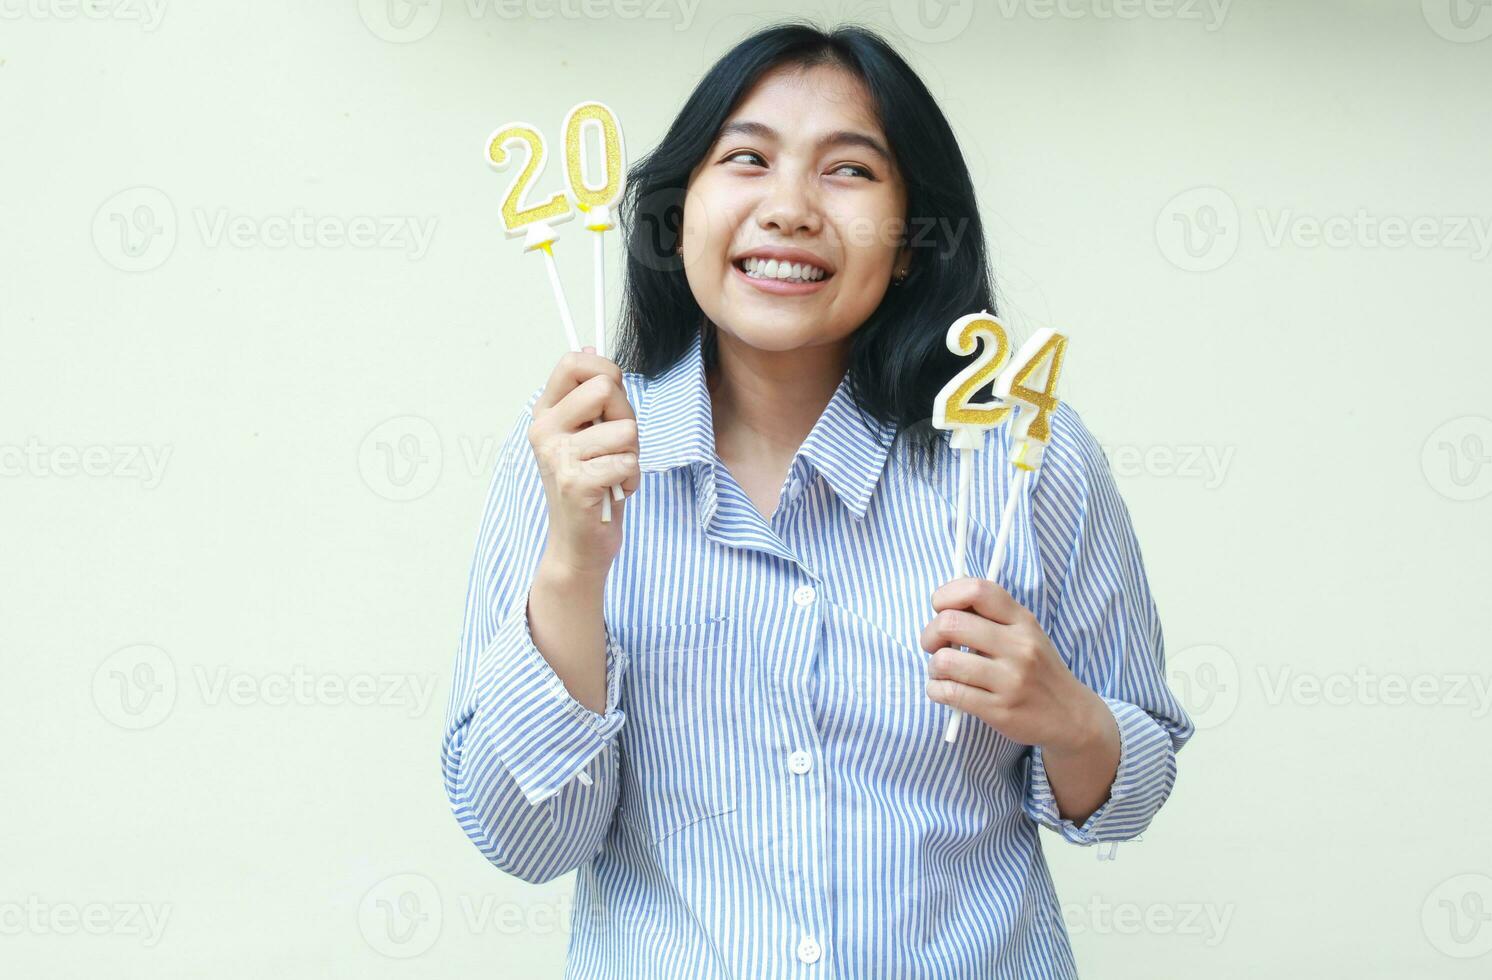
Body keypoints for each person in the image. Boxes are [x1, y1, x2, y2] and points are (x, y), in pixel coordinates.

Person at [442, 22, 1194, 978]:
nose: (789, 207)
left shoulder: (1023, 463)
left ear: (915, 240)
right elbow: (523, 839)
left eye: (849, 171)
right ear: (678, 218)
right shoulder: (568, 454)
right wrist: (572, 571)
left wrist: (1069, 717)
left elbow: (1133, 790)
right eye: (747, 159)